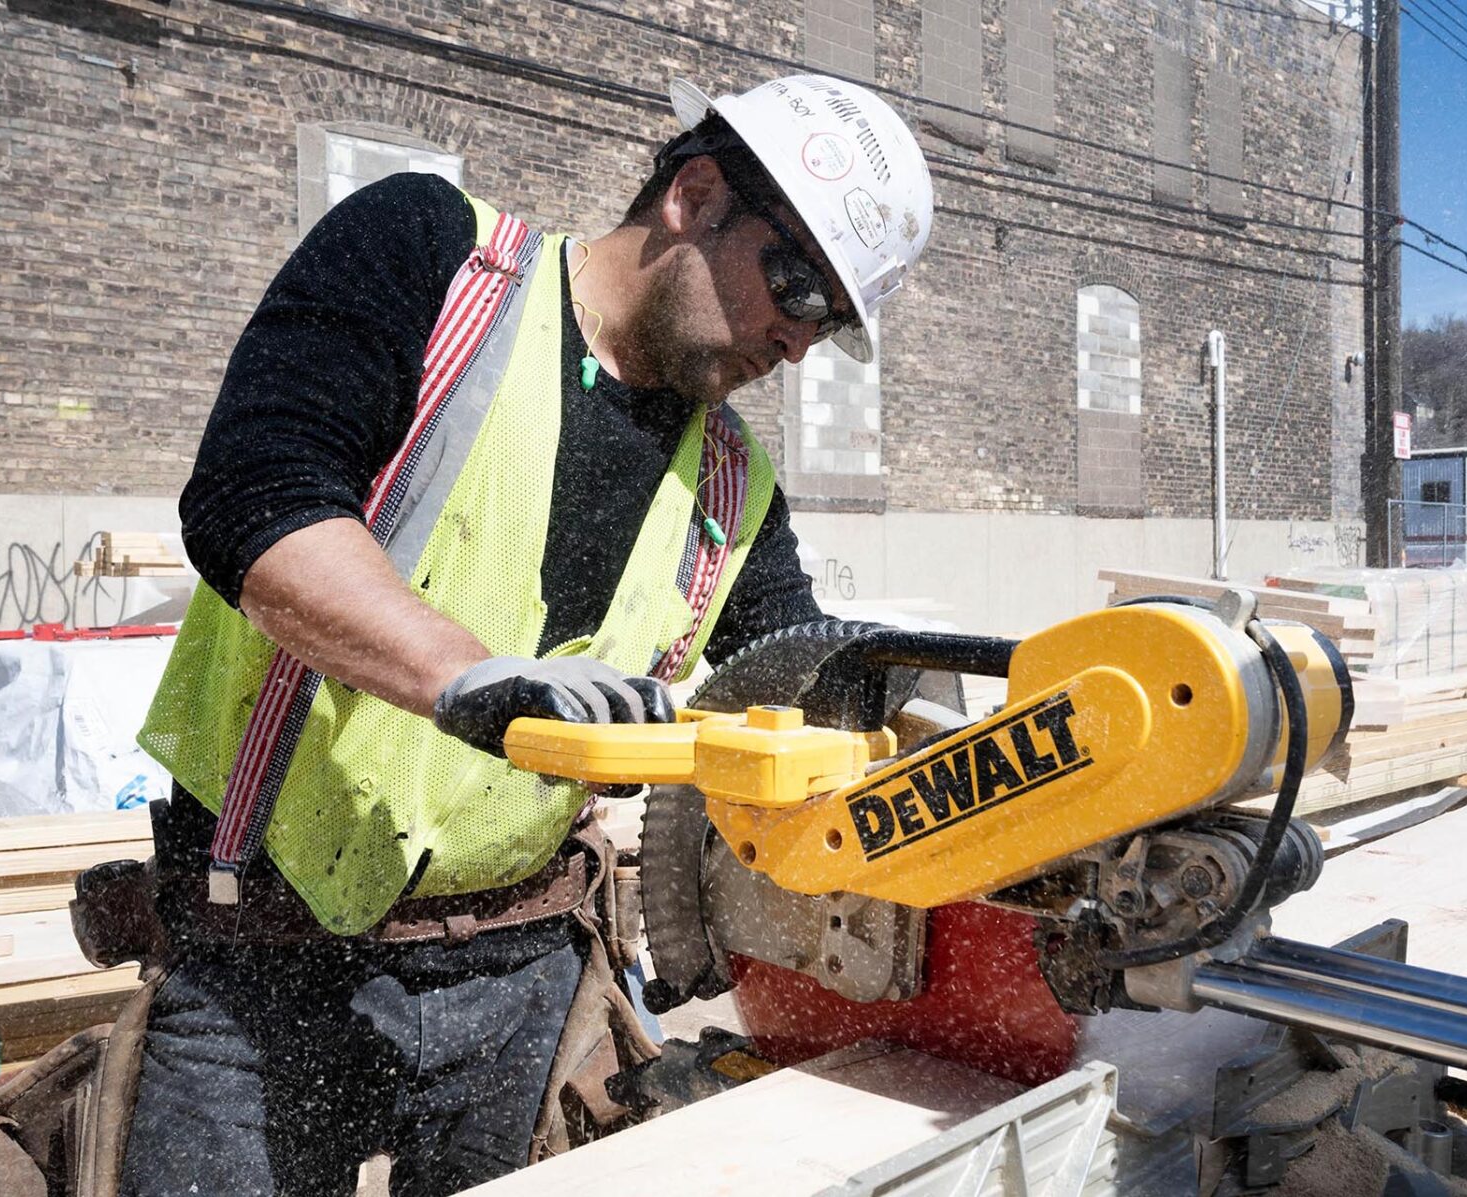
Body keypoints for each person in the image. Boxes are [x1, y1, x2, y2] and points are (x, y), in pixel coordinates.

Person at [115, 73, 935, 1197]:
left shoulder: (734, 480)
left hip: (520, 977)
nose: (795, 341)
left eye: (828, 323)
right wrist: (461, 676)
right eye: (793, 284)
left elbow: (806, 674)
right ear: (694, 197)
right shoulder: (431, 258)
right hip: (261, 966)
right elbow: (257, 502)